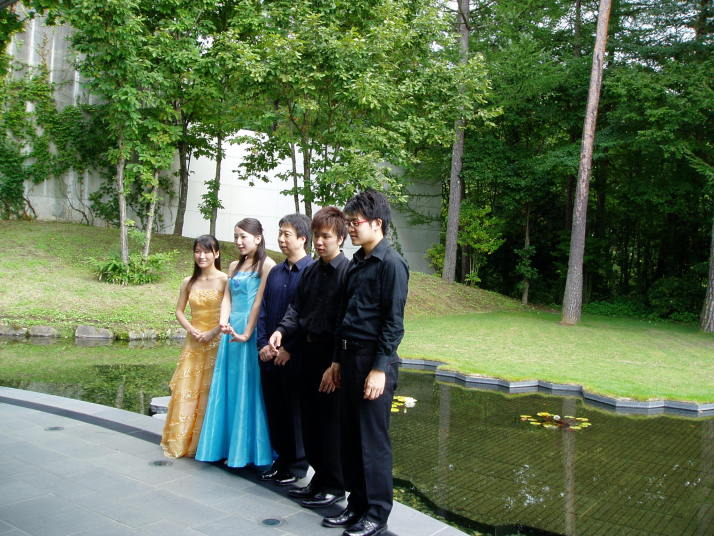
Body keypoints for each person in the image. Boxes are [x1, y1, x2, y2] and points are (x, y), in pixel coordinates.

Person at [321, 190, 409, 536]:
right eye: (349, 222)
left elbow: (393, 322)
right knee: (349, 437)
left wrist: (378, 369)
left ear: (377, 223)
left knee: (372, 442)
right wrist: (336, 361)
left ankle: (376, 514)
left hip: (372, 362)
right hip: (348, 358)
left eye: (355, 222)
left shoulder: (392, 264)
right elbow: (344, 316)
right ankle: (356, 506)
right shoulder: (357, 262)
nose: (350, 228)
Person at [268, 207, 349, 508]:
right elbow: (296, 309)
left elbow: (346, 322)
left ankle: (335, 485)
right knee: (310, 422)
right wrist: (281, 331)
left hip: (331, 358)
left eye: (326, 236)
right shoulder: (312, 271)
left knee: (330, 425)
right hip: (308, 353)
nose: (320, 242)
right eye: (317, 236)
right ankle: (319, 480)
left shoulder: (347, 273)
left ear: (340, 238)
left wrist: (336, 363)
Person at [195, 218, 276, 468]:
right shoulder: (233, 265)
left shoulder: (267, 265)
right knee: (227, 386)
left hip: (250, 330)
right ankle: (223, 445)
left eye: (243, 237)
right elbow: (227, 298)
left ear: (258, 238)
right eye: (236, 237)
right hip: (230, 330)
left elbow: (258, 302)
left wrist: (247, 333)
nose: (238, 242)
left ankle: (247, 451)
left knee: (247, 387)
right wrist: (223, 322)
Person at [257, 213, 314, 485]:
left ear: (302, 238)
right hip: (269, 354)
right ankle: (282, 460)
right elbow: (263, 310)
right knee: (275, 409)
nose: (280, 239)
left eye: (286, 234)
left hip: (296, 357)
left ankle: (298, 465)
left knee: (295, 412)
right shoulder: (275, 272)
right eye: (279, 233)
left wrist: (289, 348)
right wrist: (262, 345)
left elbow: (309, 316)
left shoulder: (312, 272)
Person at [161, 235, 228, 458]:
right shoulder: (187, 282)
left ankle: (207, 444)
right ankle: (184, 441)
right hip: (194, 342)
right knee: (188, 391)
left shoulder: (225, 280)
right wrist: (191, 329)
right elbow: (179, 311)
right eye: (197, 251)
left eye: (207, 251)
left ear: (216, 254)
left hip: (216, 342)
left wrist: (213, 332)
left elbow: (230, 312)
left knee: (210, 392)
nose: (202, 256)